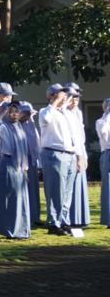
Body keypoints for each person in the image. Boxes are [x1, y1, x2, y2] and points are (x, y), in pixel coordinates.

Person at [37, 84, 78, 235]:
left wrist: (78, 155)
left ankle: (64, 221)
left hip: (69, 154)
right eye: (60, 94)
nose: (63, 97)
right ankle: (54, 223)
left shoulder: (65, 113)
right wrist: (55, 102)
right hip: (54, 153)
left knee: (67, 192)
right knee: (56, 191)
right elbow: (45, 119)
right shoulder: (46, 111)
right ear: (51, 96)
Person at [0, 101, 31, 239]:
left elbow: (24, 150)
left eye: (16, 112)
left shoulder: (20, 128)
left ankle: (21, 228)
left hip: (19, 166)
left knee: (20, 197)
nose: (14, 114)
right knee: (9, 197)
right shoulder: (4, 127)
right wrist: (0, 114)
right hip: (8, 164)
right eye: (11, 112)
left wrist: (25, 169)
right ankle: (9, 229)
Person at [64, 85, 91, 227]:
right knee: (69, 187)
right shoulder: (64, 112)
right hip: (70, 152)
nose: (75, 100)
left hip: (80, 151)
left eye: (77, 97)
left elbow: (81, 137)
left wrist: (83, 155)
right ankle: (69, 218)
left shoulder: (78, 113)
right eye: (72, 97)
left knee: (79, 184)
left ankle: (79, 217)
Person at [97, 99, 110, 228]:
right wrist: (108, 115)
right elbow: (103, 133)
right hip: (108, 151)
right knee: (108, 187)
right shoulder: (101, 121)